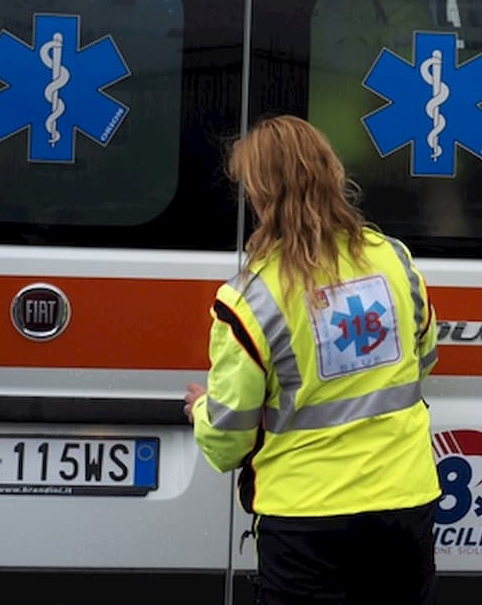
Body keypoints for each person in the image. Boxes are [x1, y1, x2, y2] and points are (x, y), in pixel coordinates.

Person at [185, 115, 441, 605]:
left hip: (306, 518)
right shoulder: (393, 260)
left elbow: (228, 439)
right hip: (404, 504)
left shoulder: (250, 299)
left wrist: (200, 410)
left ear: (261, 196)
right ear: (333, 174)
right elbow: (424, 356)